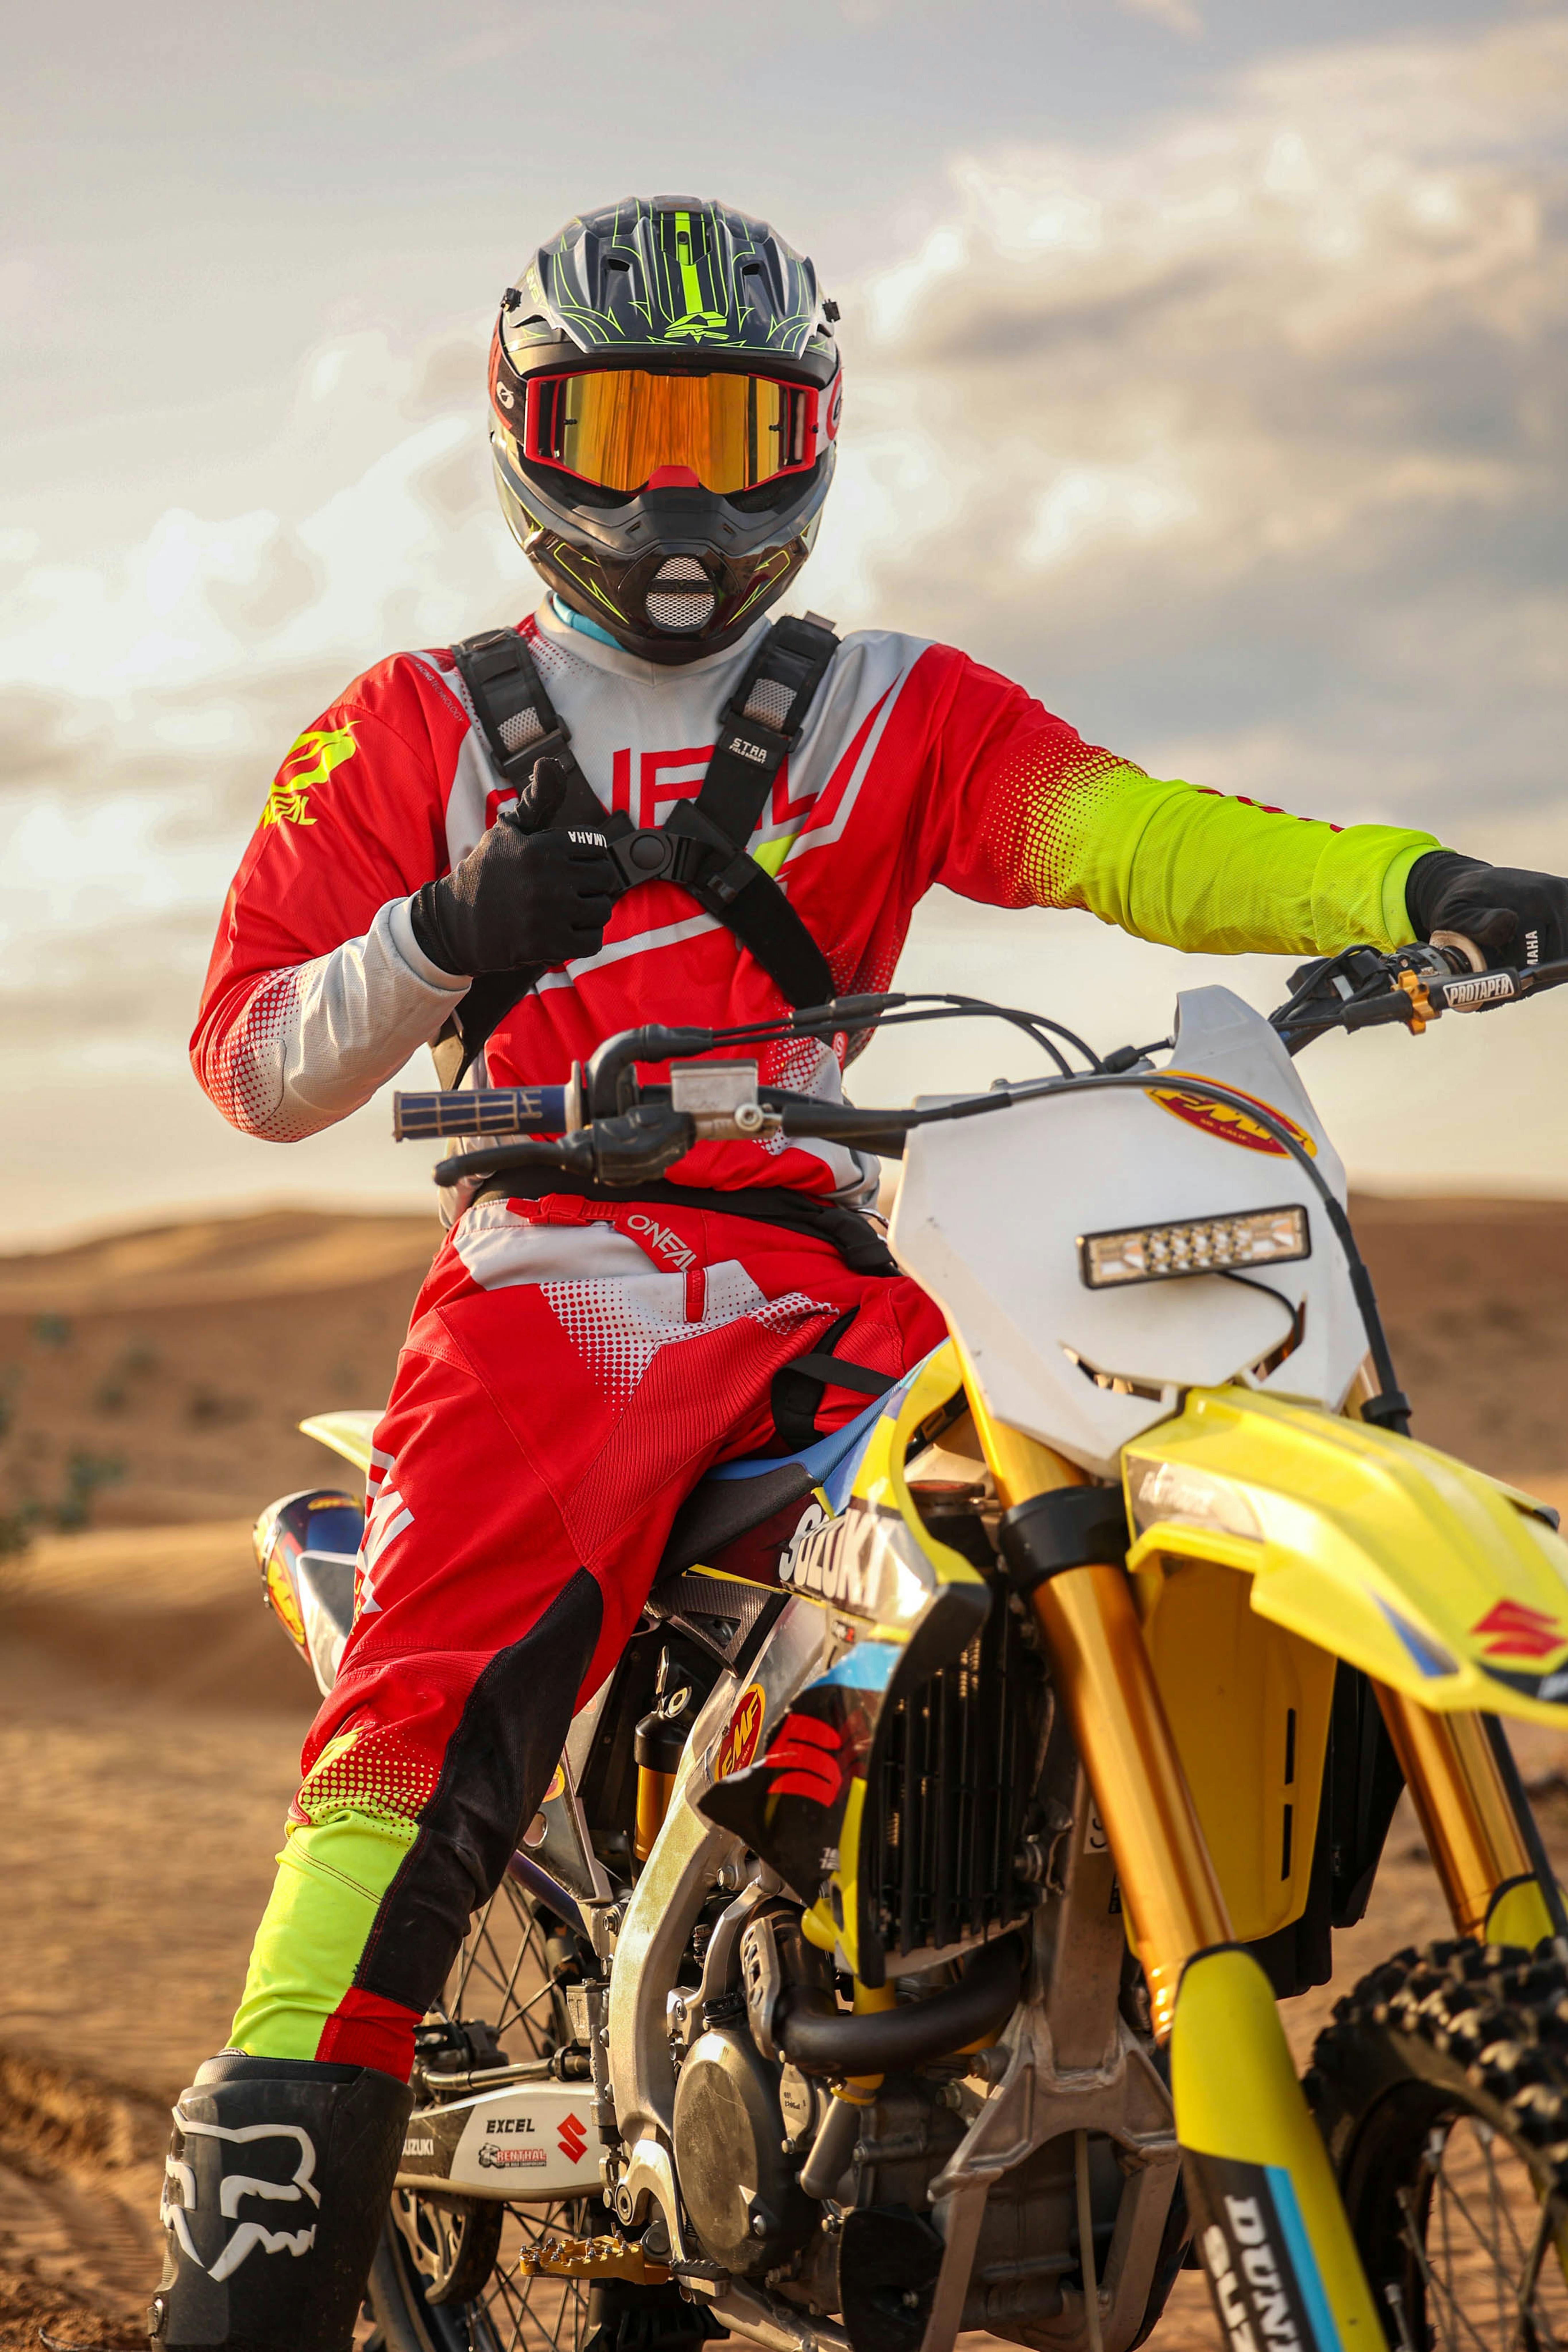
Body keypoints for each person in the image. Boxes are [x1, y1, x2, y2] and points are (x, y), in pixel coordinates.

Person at [156, 195, 1568, 2352]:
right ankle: (244, 2249)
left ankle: (895, 1973)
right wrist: (442, 940)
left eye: (727, 430)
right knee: (421, 1730)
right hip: (555, 1269)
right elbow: (250, 1063)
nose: (676, 496)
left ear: (806, 437)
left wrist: (1408, 881)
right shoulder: (413, 725)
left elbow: (1134, 834)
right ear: (531, 436)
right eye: (622, 426)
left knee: (1026, 1518)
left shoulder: (893, 706)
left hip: (846, 1260)